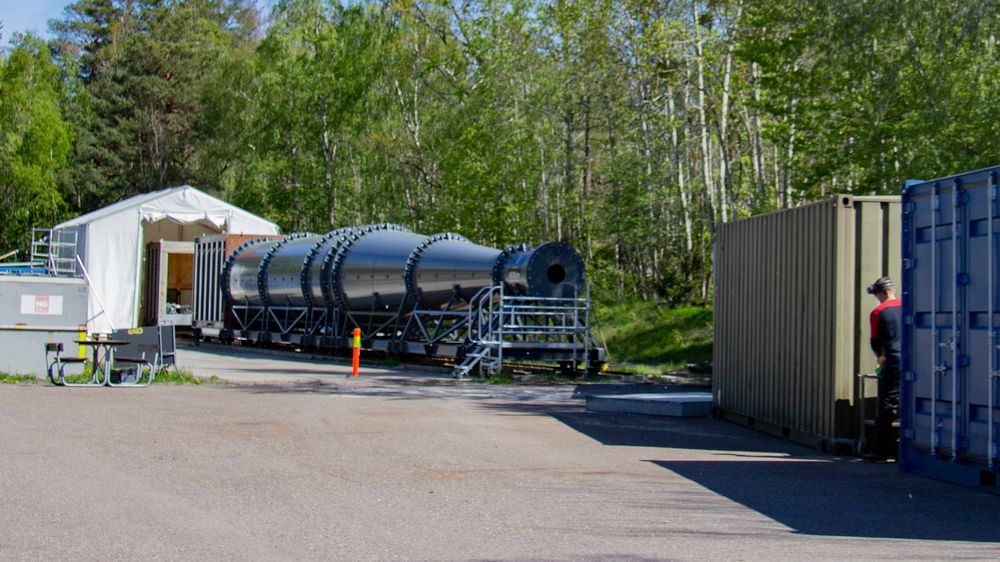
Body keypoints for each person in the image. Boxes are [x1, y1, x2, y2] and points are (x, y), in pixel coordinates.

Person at [865, 276, 902, 463]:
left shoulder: (878, 312)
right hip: (913, 359)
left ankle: (879, 452)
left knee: (887, 404)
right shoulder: (907, 306)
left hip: (893, 359)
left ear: (880, 293)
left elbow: (875, 341)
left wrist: (880, 358)